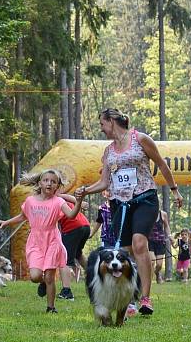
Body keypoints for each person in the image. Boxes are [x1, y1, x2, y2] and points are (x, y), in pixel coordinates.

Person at [74, 108, 183, 316]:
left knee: (139, 244)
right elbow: (105, 182)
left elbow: (161, 164)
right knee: (124, 251)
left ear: (111, 121)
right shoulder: (108, 151)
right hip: (119, 204)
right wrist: (85, 190)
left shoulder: (140, 139)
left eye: (102, 124)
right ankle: (129, 298)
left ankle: (145, 299)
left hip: (144, 199)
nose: (102, 129)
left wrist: (174, 190)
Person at [0, 169, 84, 313]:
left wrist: (79, 202)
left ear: (57, 186)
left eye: (53, 181)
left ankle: (51, 308)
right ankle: (42, 283)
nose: (49, 183)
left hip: (52, 240)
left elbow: (71, 215)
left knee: (50, 276)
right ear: (40, 183)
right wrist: (6, 222)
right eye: (46, 180)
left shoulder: (59, 201)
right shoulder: (31, 201)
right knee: (35, 276)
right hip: (35, 242)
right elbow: (22, 216)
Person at [57, 195, 90, 300]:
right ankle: (94, 274)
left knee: (64, 259)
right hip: (85, 225)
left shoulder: (53, 199)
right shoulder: (61, 198)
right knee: (78, 254)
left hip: (72, 227)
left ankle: (66, 291)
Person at [148, 209, 171, 284]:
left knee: (159, 264)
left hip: (160, 242)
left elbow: (167, 226)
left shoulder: (163, 214)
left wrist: (170, 236)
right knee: (152, 261)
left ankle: (157, 273)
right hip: (149, 241)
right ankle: (149, 281)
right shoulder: (147, 213)